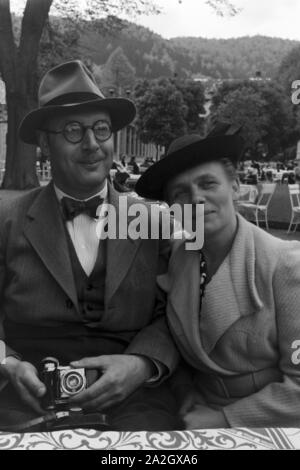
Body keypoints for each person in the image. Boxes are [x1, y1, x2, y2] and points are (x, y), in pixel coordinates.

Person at [0, 60, 180, 431]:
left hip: (133, 399)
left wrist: (141, 364)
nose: (92, 144)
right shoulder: (7, 221)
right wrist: (10, 365)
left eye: (101, 129)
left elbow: (178, 313)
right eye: (72, 131)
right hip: (24, 397)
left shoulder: (154, 220)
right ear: (45, 143)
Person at [136, 124, 300, 428]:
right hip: (194, 412)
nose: (196, 199)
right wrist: (186, 391)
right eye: (181, 193)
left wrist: (225, 419)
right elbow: (182, 347)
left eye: (208, 183)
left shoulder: (286, 265)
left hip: (267, 424)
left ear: (235, 186)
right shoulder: (176, 260)